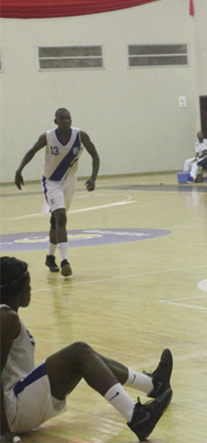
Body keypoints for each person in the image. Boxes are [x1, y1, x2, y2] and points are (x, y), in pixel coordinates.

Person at [0, 257, 173, 443]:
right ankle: (136, 416)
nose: (30, 288)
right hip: (12, 410)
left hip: (15, 399)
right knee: (78, 353)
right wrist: (4, 432)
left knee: (86, 355)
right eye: (27, 283)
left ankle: (153, 385)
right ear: (15, 289)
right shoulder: (6, 318)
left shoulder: (6, 315)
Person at [15, 108, 100, 278]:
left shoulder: (80, 135)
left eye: (68, 118)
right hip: (51, 181)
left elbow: (95, 156)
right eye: (62, 119)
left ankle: (50, 257)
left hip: (69, 182)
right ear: (56, 121)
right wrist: (19, 170)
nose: (66, 121)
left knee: (56, 221)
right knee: (61, 217)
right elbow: (31, 151)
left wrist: (93, 178)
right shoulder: (47, 136)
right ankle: (65, 262)